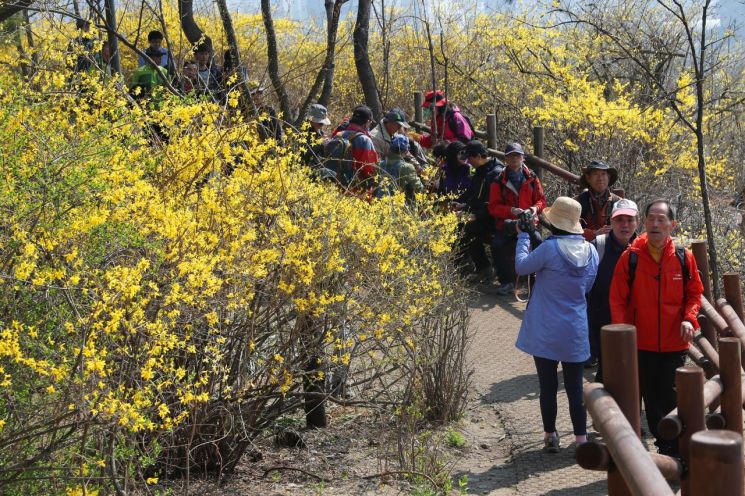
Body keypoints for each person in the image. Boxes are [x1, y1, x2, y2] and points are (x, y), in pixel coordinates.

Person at [609, 199, 704, 457]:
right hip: (641, 342)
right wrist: (622, 333)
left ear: (672, 225)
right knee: (651, 398)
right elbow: (617, 298)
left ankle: (676, 448)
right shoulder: (631, 258)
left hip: (675, 342)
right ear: (644, 222)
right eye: (651, 218)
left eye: (661, 219)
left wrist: (689, 318)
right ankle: (665, 449)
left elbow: (695, 293)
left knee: (672, 396)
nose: (655, 223)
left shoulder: (685, 258)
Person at [514, 196, 598, 453]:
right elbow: (589, 287)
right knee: (575, 388)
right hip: (575, 329)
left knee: (547, 387)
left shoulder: (549, 249)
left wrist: (524, 237)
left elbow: (521, 266)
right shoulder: (591, 251)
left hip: (545, 329)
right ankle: (581, 439)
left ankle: (550, 435)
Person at [586, 199, 639, 379]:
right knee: (607, 374)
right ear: (610, 222)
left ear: (637, 222)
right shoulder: (597, 246)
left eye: (630, 220)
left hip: (636, 325)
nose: (625, 225)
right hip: (603, 325)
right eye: (619, 220)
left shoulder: (644, 249)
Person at [488, 142, 546, 295]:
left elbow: (542, 201)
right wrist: (511, 211)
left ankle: (537, 282)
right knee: (497, 244)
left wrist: (534, 209)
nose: (514, 158)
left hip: (527, 222)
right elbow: (493, 207)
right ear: (506, 159)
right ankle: (506, 282)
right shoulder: (498, 180)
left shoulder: (532, 178)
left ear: (523, 158)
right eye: (511, 156)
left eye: (517, 155)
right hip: (508, 223)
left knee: (539, 243)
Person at [457, 140, 504, 283]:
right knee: (461, 226)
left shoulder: (495, 172)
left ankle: (484, 269)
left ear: (478, 156)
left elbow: (491, 203)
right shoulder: (481, 171)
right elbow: (475, 195)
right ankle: (474, 266)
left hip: (494, 217)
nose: (469, 163)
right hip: (483, 214)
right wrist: (462, 206)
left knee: (468, 229)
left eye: (470, 159)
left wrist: (475, 216)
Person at [329, 105, 379, 190]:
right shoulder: (365, 140)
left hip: (333, 186)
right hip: (354, 190)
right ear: (367, 122)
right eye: (370, 122)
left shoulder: (338, 135)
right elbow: (370, 169)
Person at [575, 160, 622, 242]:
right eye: (595, 174)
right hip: (584, 249)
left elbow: (627, 228)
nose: (600, 178)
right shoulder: (577, 202)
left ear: (609, 177)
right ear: (588, 178)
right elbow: (570, 230)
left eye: (603, 174)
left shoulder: (618, 202)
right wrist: (595, 234)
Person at [377, 135, 424, 203]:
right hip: (398, 205)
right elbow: (419, 188)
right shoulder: (407, 167)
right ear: (406, 150)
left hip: (379, 203)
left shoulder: (380, 164)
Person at [302, 103, 333, 178]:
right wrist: (319, 144)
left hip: (317, 168)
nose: (321, 125)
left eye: (323, 123)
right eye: (319, 123)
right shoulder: (301, 133)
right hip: (304, 173)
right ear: (311, 120)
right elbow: (302, 156)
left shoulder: (320, 132)